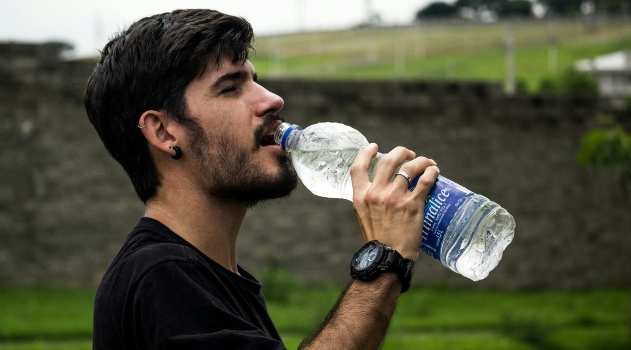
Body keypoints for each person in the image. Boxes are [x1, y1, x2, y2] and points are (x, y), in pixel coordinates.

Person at [83, 9, 439, 350]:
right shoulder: (161, 277)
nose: (272, 99)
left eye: (254, 80)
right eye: (230, 88)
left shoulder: (207, 276)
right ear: (163, 131)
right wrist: (384, 260)